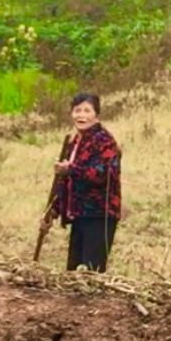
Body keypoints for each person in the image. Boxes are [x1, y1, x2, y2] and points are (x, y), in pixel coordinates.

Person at [46, 93, 121, 272]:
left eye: (87, 111)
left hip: (99, 214)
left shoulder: (104, 141)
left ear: (97, 115)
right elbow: (67, 181)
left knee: (91, 272)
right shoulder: (74, 142)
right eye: (77, 110)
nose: (81, 115)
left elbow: (104, 174)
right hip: (79, 214)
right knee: (73, 272)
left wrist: (71, 169)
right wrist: (53, 209)